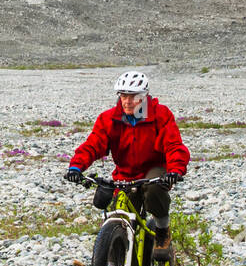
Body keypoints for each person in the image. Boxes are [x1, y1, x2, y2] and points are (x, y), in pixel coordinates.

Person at [65, 70, 189, 252]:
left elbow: (173, 145)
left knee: (154, 192)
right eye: (123, 96)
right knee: (117, 218)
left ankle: (162, 228)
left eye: (133, 96)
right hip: (124, 174)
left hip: (153, 171)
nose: (127, 101)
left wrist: (175, 170)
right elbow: (93, 144)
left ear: (144, 96)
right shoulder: (109, 119)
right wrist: (76, 167)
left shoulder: (160, 115)